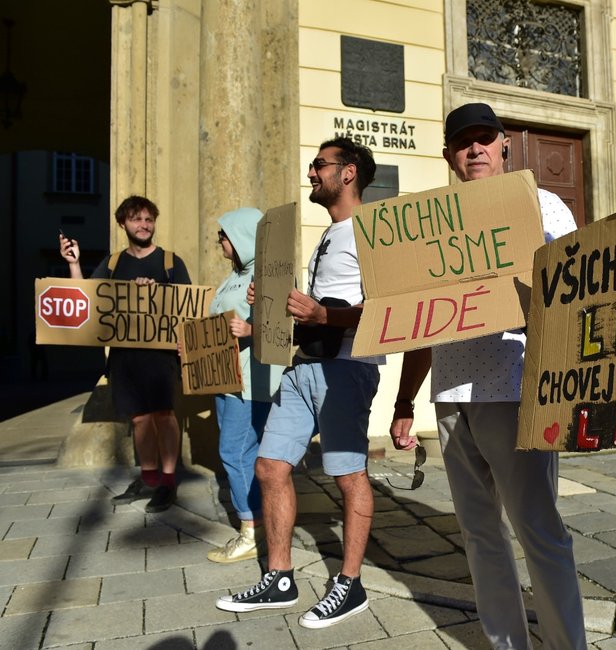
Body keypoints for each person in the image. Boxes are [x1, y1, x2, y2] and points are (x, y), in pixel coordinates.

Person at [390, 103, 587, 650]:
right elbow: (417, 320)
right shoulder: (431, 223)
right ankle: (506, 644)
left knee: (538, 530)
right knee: (479, 535)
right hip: (450, 394)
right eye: (462, 142)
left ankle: (565, 645)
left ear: (504, 145)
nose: (474, 149)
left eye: (484, 139)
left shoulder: (544, 204)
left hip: (515, 388)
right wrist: (405, 400)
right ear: (449, 154)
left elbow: (570, 297)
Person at [215, 137, 384, 631]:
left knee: (348, 474)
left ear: (348, 173)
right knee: (269, 467)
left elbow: (384, 309)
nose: (311, 172)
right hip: (305, 365)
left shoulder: (372, 232)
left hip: (348, 369)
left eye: (319, 165)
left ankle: (350, 586)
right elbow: (313, 314)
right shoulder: (330, 235)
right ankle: (280, 576)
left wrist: (321, 311)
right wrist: (269, 305)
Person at [60, 195, 191, 513]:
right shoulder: (114, 263)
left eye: (149, 219)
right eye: (136, 219)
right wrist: (74, 263)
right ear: (123, 223)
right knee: (139, 419)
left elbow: (187, 307)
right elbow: (87, 298)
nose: (144, 225)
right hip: (124, 358)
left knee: (164, 416)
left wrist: (157, 293)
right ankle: (148, 478)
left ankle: (168, 482)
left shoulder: (170, 262)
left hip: (161, 359)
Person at [204, 208, 284, 563]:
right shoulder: (232, 277)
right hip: (226, 378)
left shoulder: (270, 273)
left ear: (242, 236)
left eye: (224, 234)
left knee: (234, 453)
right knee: (242, 454)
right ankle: (260, 524)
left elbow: (285, 326)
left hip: (252, 380)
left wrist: (250, 330)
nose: (220, 241)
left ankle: (249, 532)